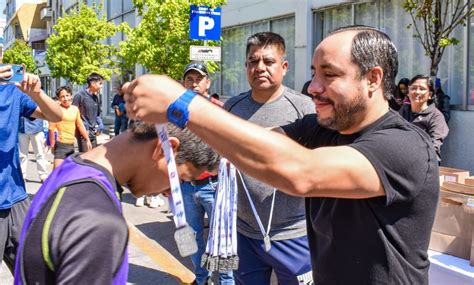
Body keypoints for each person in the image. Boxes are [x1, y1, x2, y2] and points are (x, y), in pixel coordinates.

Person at [124, 25, 440, 284]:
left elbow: (300, 173)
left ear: (373, 78)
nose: (313, 87)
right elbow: (252, 147)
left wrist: (183, 103)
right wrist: (163, 152)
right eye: (314, 73)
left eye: (329, 75)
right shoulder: (323, 127)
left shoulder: (404, 146)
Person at [14, 122, 220, 284]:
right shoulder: (98, 220)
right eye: (180, 180)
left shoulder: (71, 169)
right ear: (165, 149)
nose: (169, 194)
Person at [224, 32, 314, 285]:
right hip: (244, 233)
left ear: (284, 67)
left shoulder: (305, 108)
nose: (259, 68)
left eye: (268, 61)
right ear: (245, 66)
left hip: (294, 234)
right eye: (253, 61)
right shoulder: (232, 108)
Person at [0, 65, 62, 274]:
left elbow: (56, 116)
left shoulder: (12, 90)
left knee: (36, 272)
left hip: (16, 198)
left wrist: (37, 93)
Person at [181, 61, 234, 285]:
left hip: (214, 187)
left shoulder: (220, 109)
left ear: (207, 83)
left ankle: (226, 280)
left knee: (222, 241)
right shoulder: (176, 111)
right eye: (189, 79)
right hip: (185, 187)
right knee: (191, 238)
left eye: (198, 79)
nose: (194, 84)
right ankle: (201, 278)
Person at [399, 74, 449, 162]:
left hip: (422, 165)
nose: (417, 92)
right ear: (408, 92)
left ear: (430, 94)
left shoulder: (435, 116)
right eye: (413, 88)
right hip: (399, 162)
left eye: (422, 89)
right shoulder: (403, 111)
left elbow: (434, 147)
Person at [49, 86, 92, 169]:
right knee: (56, 174)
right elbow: (51, 128)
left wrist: (87, 139)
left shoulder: (75, 109)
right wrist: (52, 146)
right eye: (62, 96)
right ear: (58, 98)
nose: (65, 98)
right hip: (60, 145)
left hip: (71, 145)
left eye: (67, 95)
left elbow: (80, 125)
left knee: (68, 174)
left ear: (71, 95)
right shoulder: (56, 109)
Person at [72, 72, 104, 152]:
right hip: (84, 133)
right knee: (85, 158)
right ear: (92, 83)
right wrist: (82, 128)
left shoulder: (96, 97)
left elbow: (97, 115)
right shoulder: (79, 96)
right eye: (100, 84)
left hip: (93, 132)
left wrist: (100, 125)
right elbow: (73, 115)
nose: (101, 86)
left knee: (93, 158)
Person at [18, 117, 49, 182]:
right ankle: (22, 175)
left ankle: (43, 176)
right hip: (22, 128)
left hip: (36, 128)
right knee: (22, 155)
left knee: (40, 154)